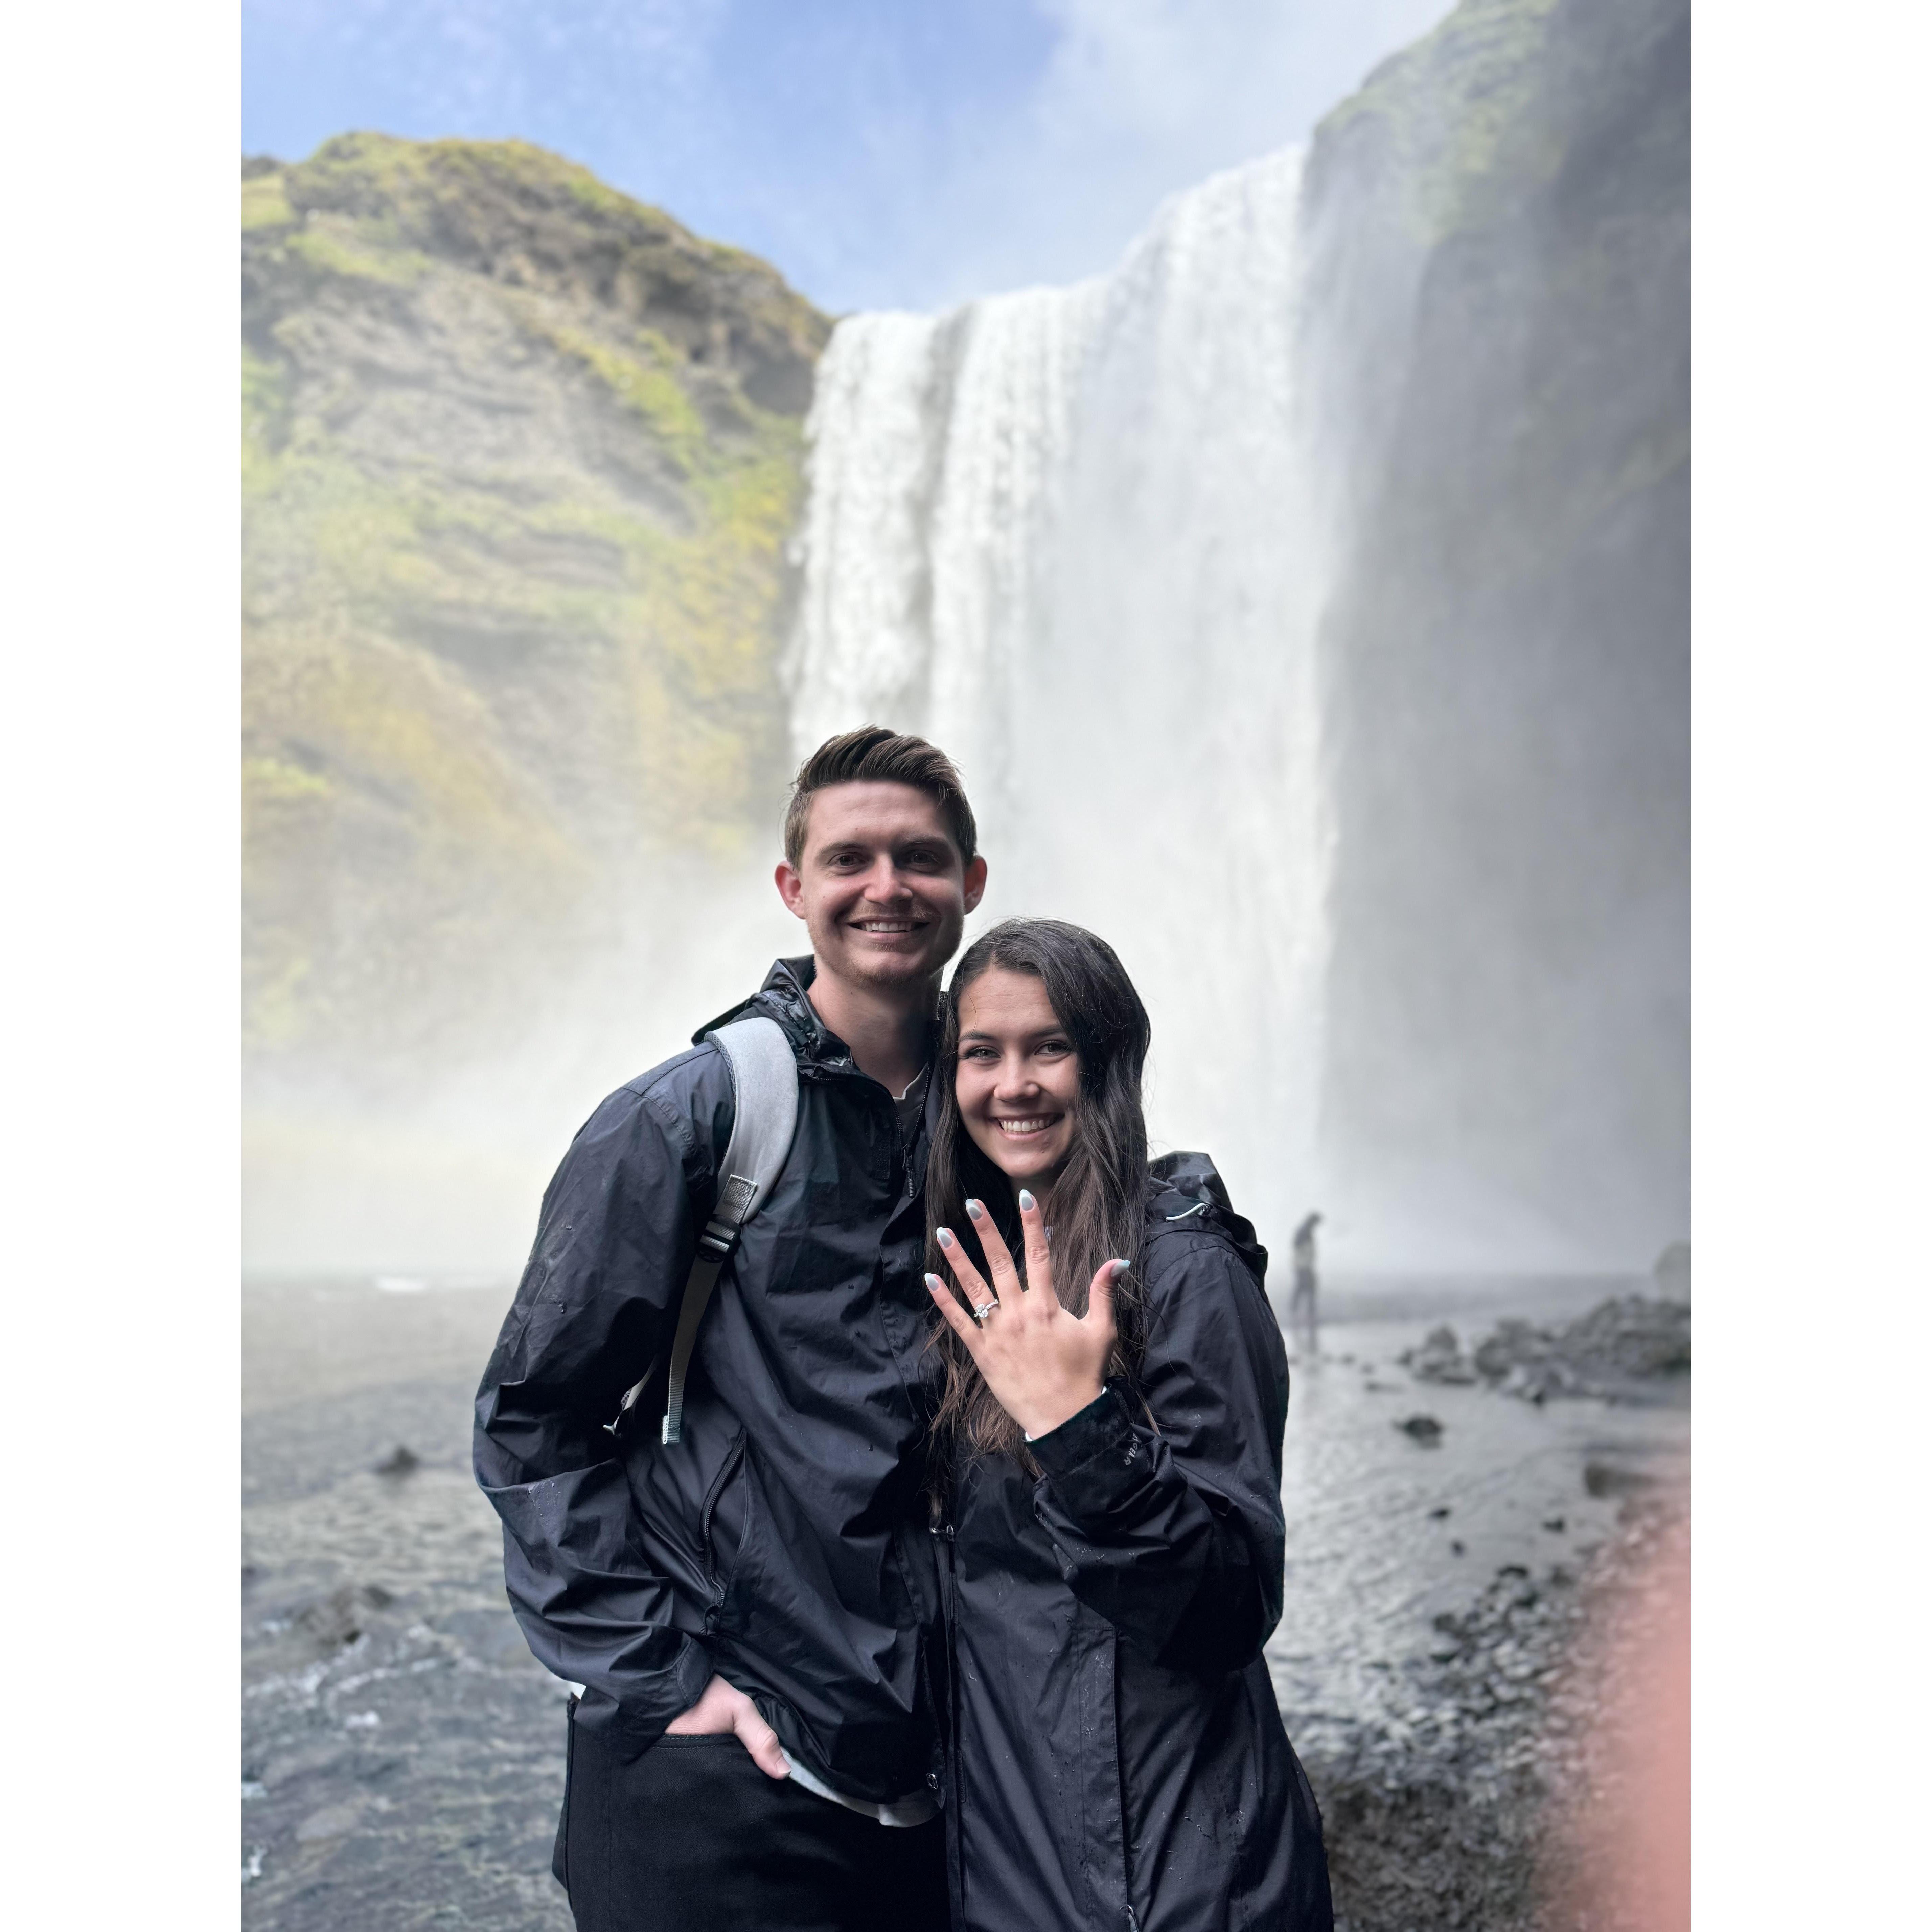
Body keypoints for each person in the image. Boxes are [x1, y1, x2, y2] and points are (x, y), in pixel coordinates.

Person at [474, 727, 985, 1932]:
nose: (886, 886)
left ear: (970, 883)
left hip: (940, 1780)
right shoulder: (692, 1118)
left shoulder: (1005, 1121)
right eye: (849, 857)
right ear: (793, 887)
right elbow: (534, 1419)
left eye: (920, 857)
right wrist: (668, 1680)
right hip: (719, 1775)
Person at [923, 919, 1334, 1931]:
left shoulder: (1187, 1276)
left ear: (1106, 1061)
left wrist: (1077, 1428)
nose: (1012, 1082)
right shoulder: (978, 1273)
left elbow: (1225, 1606)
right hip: (1015, 1855)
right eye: (982, 1051)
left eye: (1047, 1046)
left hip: (1171, 1877)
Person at [1289, 1211, 1322, 1334]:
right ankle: (1305, 1314)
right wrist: (1306, 1261)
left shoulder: (1305, 1231)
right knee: (1307, 1288)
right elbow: (1300, 1249)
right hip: (1303, 1266)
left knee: (1303, 1288)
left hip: (1304, 1265)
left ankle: (1299, 1312)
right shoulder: (1304, 1232)